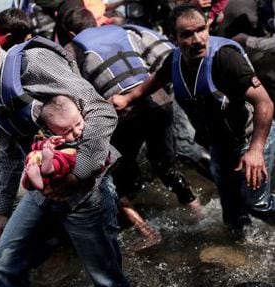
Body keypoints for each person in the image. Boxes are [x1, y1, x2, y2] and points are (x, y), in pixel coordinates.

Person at [0, 12, 133, 287]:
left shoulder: (33, 63)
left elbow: (101, 112)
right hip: (45, 186)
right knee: (1, 265)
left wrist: (77, 176)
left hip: (85, 186)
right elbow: (10, 152)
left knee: (108, 285)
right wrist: (2, 211)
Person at [110, 3, 275, 233]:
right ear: (173, 38)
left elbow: (265, 102)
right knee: (231, 212)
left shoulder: (226, 58)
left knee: (256, 203)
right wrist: (129, 99)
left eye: (201, 29)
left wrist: (255, 150)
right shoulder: (175, 59)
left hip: (251, 138)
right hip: (219, 143)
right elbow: (158, 78)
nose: (197, 39)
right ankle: (244, 248)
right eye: (187, 34)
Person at [62, 7, 203, 247]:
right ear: (96, 22)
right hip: (157, 100)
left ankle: (146, 231)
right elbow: (166, 55)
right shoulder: (125, 30)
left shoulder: (71, 50)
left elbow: (70, 95)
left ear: (70, 31)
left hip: (122, 112)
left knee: (112, 175)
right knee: (164, 164)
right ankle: (197, 210)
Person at [22, 95, 80, 191]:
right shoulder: (51, 137)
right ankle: (34, 180)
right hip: (45, 170)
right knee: (32, 158)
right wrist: (46, 145)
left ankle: (48, 170)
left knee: (67, 157)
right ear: (53, 131)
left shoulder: (86, 135)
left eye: (78, 124)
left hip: (64, 172)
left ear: (80, 113)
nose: (76, 131)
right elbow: (34, 146)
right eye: (68, 131)